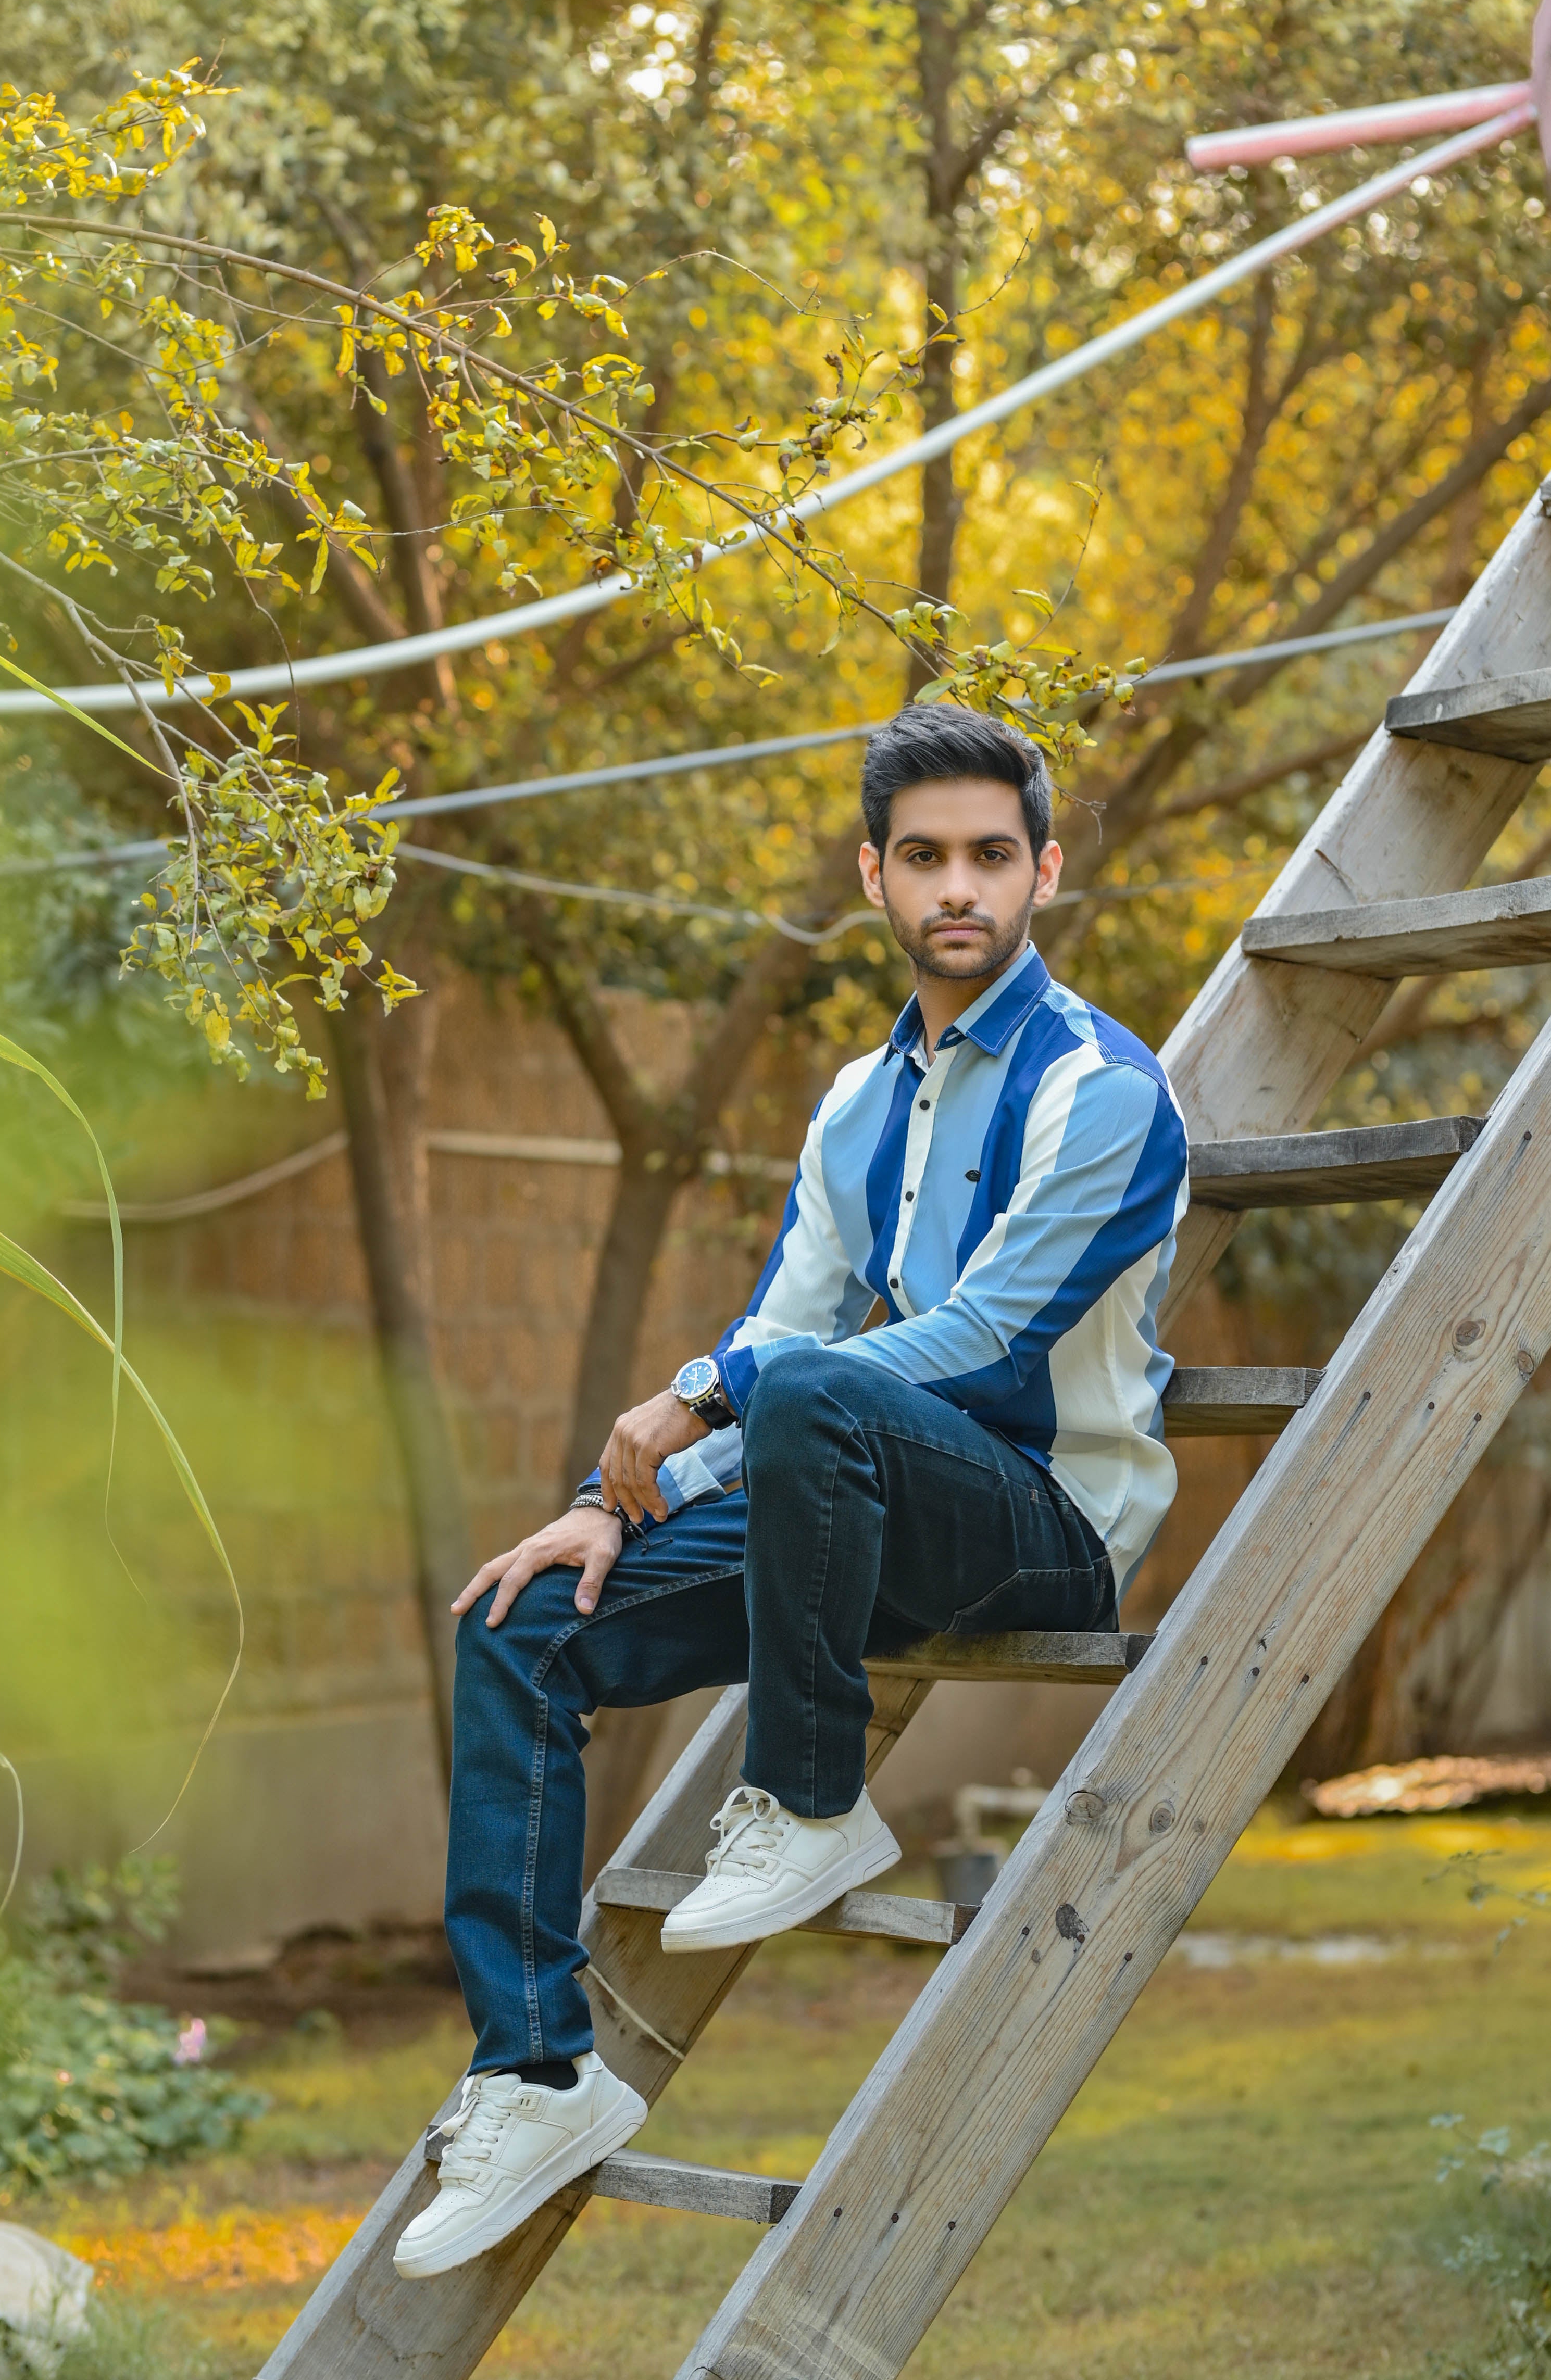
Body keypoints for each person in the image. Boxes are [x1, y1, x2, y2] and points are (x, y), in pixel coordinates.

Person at [393, 705, 1189, 2280]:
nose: (953, 887)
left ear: (1042, 868)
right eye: (920, 858)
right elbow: (787, 1324)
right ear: (872, 877)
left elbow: (967, 1348)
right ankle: (538, 2069)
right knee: (524, 1620)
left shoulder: (1102, 1089)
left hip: (1041, 1531)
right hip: (854, 1507)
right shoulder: (852, 1102)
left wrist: (702, 1393)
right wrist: (612, 1505)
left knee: (835, 1378)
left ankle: (811, 1799)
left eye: (986, 855)